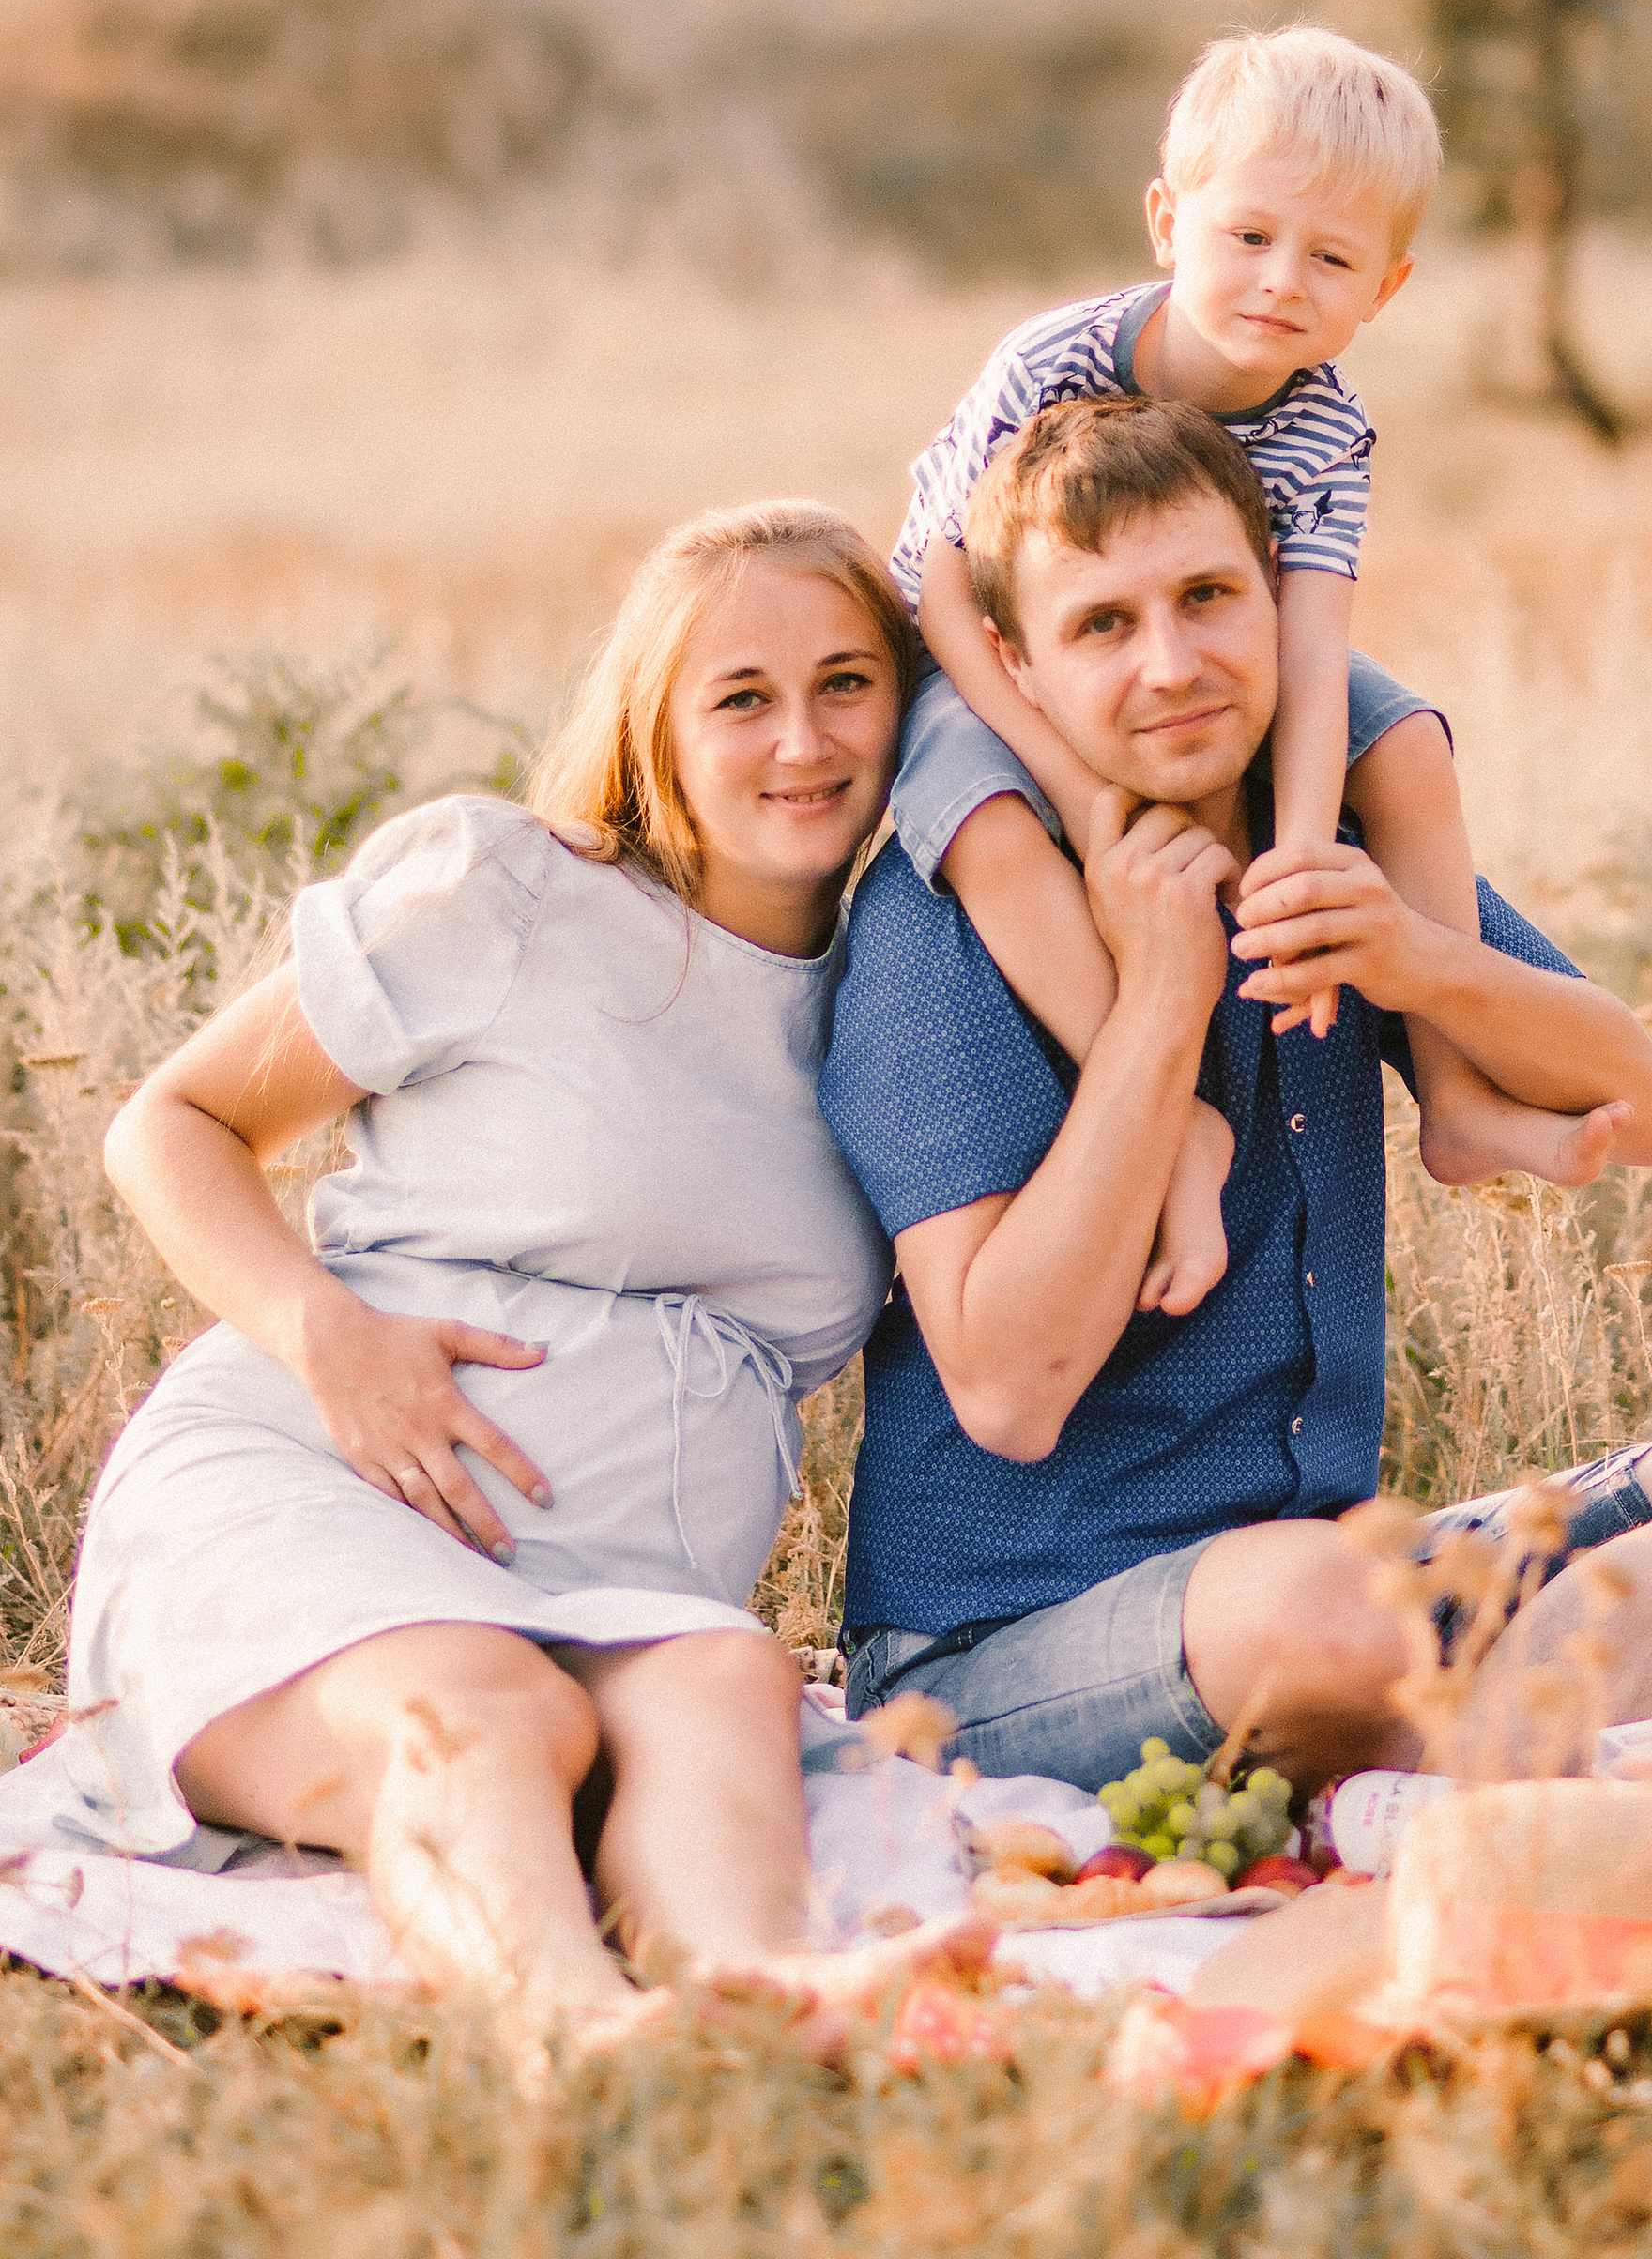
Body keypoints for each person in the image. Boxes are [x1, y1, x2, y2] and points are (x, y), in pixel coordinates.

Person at [819, 395, 1652, 1793]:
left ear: (1279, 595)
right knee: (1328, 1611)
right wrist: (1163, 999)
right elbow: (1008, 1392)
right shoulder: (950, 919)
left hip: (1333, 1581)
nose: (1173, 665)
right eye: (1103, 625)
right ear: (1015, 663)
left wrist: (1416, 957)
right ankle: (1536, 1735)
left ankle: (1480, 1737)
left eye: (1207, 597)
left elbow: (1645, 1111)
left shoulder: (1317, 844)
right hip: (1006, 1645)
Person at [67, 500, 980, 2051]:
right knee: (496, 1712)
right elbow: (172, 1123)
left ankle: (757, 1997)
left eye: (847, 682)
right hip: (316, 1490)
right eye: (742, 697)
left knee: (722, 1687)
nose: (803, 741)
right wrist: (327, 1336)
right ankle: (568, 2029)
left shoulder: (906, 986)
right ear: (657, 728)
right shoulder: (511, 892)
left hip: (621, 1584)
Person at [887, 23, 1628, 1322]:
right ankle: (1168, 1118)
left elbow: (1313, 646)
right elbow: (946, 589)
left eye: (1331, 258)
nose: (1283, 281)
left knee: (1406, 743)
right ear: (1169, 223)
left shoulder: (1328, 429)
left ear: (1384, 289)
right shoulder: (1053, 362)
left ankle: (1457, 1099)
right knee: (992, 827)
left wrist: (1296, 871)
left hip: (1218, 634)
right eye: (1249, 236)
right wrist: (1083, 791)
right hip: (1000, 651)